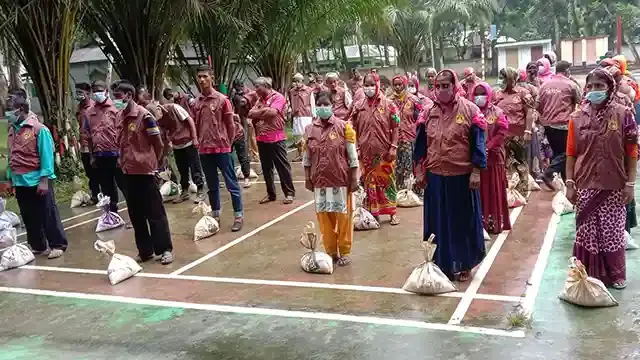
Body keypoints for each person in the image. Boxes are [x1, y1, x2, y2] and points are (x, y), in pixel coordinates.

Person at [566, 68, 637, 289]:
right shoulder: (576, 118)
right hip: (585, 183)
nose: (595, 90)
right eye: (591, 86)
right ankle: (588, 275)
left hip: (615, 184)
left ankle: (615, 275)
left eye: (600, 86)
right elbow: (571, 153)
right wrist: (569, 184)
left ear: (610, 88)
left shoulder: (624, 114)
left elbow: (632, 151)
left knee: (612, 232)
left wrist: (630, 184)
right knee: (587, 232)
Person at [413, 69, 487, 282]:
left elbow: (478, 145)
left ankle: (465, 263)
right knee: (438, 223)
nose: (442, 90)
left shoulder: (471, 110)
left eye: (446, 85)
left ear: (455, 86)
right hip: (435, 176)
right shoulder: (427, 112)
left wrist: (476, 171)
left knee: (462, 222)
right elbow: (419, 147)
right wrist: (419, 171)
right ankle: (441, 263)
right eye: (438, 86)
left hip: (461, 177)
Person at [113, 81, 173, 264]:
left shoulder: (144, 116)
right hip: (128, 171)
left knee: (155, 212)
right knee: (135, 213)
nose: (116, 101)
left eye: (118, 97)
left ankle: (164, 249)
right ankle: (145, 250)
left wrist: (156, 163)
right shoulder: (120, 116)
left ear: (129, 96)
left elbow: (158, 143)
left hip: (145, 172)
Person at [5, 88, 68, 259]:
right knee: (28, 215)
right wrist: (10, 178)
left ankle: (57, 244)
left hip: (37, 179)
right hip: (20, 180)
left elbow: (46, 156)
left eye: (11, 110)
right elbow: (12, 155)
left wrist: (44, 180)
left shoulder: (39, 129)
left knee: (47, 212)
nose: (8, 113)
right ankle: (38, 245)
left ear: (22, 109)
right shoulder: (12, 130)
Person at [303, 91, 359, 266]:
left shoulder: (344, 127)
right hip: (319, 181)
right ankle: (331, 251)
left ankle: (344, 250)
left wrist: (354, 178)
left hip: (341, 180)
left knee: (343, 217)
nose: (322, 107)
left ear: (332, 106)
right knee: (324, 218)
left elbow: (352, 156)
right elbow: (307, 156)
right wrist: (307, 177)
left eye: (325, 104)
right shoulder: (309, 129)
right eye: (319, 104)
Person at [191, 66, 244, 231]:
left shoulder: (222, 100)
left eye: (205, 76)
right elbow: (195, 123)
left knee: (231, 184)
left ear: (212, 78)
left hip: (222, 149)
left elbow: (230, 124)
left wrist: (228, 143)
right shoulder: (197, 102)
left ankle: (238, 216)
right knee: (212, 186)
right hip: (205, 150)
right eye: (199, 77)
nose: (202, 80)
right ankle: (215, 216)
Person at [349, 72, 400, 225]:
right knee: (369, 183)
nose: (369, 88)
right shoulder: (358, 106)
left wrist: (393, 147)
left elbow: (396, 127)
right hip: (366, 153)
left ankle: (392, 213)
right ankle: (374, 213)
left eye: (372, 84)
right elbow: (353, 128)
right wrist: (356, 147)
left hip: (385, 152)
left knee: (388, 182)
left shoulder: (389, 105)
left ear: (378, 85)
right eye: (366, 85)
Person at [473, 82, 511, 234]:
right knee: (479, 190)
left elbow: (502, 132)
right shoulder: (472, 111)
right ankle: (479, 223)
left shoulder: (497, 112)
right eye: (476, 94)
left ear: (489, 94)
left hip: (494, 158)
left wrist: (487, 147)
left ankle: (493, 222)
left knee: (493, 190)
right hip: (476, 160)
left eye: (483, 93)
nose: (479, 96)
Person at [537, 60, 582, 189]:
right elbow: (581, 100)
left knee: (558, 153)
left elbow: (538, 105)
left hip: (547, 125)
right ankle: (549, 173)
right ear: (567, 71)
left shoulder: (545, 85)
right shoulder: (571, 85)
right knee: (567, 153)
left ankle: (564, 180)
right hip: (564, 125)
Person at [85, 80, 127, 213]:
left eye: (99, 90)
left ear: (106, 91)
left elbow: (124, 133)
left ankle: (134, 215)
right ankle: (112, 215)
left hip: (117, 155)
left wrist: (123, 155)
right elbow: (88, 136)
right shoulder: (89, 112)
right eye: (94, 91)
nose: (97, 93)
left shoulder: (117, 108)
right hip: (100, 156)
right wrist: (92, 156)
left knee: (125, 186)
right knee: (107, 189)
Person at [493, 68, 535, 194]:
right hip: (501, 135)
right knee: (505, 163)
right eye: (500, 77)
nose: (501, 80)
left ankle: (522, 191)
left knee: (519, 161)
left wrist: (528, 131)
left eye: (503, 77)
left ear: (511, 79)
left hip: (518, 135)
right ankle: (509, 190)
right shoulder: (497, 94)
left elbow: (529, 113)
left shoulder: (523, 93)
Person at [389, 74, 422, 194]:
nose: (397, 87)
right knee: (396, 167)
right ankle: (398, 192)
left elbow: (419, 119)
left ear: (404, 84)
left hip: (410, 138)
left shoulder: (413, 100)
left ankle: (411, 192)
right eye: (395, 85)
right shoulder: (389, 101)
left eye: (400, 84)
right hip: (394, 140)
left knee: (410, 165)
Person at [75, 82, 100, 204]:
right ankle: (95, 194)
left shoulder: (93, 107)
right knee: (90, 172)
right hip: (83, 145)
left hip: (94, 144)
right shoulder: (79, 108)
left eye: (80, 92)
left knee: (96, 171)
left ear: (88, 93)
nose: (78, 95)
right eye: (77, 92)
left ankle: (100, 195)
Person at [231, 80, 260, 162]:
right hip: (241, 116)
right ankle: (248, 154)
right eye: (236, 88)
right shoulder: (235, 95)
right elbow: (235, 107)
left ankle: (256, 155)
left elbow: (256, 105)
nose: (238, 89)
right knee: (244, 136)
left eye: (239, 87)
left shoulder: (251, 93)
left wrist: (252, 117)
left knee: (252, 136)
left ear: (242, 86)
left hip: (250, 115)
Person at [289, 73, 315, 162]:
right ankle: (300, 155)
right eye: (295, 81)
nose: (296, 83)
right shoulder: (292, 91)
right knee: (297, 137)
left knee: (307, 136)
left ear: (302, 81)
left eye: (298, 81)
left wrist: (314, 116)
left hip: (306, 116)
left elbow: (312, 103)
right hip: (296, 116)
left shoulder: (309, 90)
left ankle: (309, 154)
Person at [231, 112, 252, 188]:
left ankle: (246, 177)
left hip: (237, 134)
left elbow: (237, 117)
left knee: (242, 156)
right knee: (227, 157)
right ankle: (231, 178)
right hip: (226, 136)